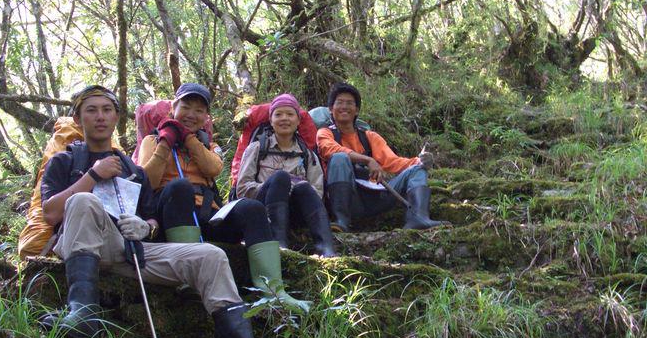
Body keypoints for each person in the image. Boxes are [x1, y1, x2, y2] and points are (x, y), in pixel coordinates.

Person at [41, 84, 294, 338]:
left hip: (129, 251)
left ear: (116, 117)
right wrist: (93, 175)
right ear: (78, 118)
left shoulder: (131, 169)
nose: (100, 117)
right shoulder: (65, 161)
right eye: (91, 111)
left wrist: (146, 227)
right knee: (83, 201)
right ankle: (82, 311)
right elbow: (51, 213)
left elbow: (151, 217)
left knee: (210, 256)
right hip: (82, 246)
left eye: (107, 110)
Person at [136, 83, 309, 312]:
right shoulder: (152, 141)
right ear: (173, 107)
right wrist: (166, 143)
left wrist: (188, 139)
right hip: (172, 215)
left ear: (206, 117)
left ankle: (273, 291)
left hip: (207, 214)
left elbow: (213, 168)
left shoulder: (209, 145)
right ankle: (189, 274)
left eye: (199, 110)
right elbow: (147, 181)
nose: (191, 114)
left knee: (252, 208)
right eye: (186, 107)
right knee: (180, 187)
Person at [317, 82, 446, 232]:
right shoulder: (325, 133)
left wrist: (420, 161)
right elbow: (329, 150)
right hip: (351, 200)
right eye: (339, 102)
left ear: (356, 110)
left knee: (417, 169)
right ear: (330, 109)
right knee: (339, 158)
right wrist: (368, 160)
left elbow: (393, 162)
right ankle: (341, 220)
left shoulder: (370, 137)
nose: (344, 107)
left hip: (376, 196)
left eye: (350, 103)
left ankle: (419, 218)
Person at [235, 93, 336, 257]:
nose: (284, 119)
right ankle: (279, 245)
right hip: (263, 211)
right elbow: (242, 189)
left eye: (290, 114)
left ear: (298, 120)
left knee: (304, 187)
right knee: (280, 178)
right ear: (271, 120)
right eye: (278, 114)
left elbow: (317, 192)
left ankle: (327, 250)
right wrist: (275, 187)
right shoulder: (256, 149)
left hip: (295, 212)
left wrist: (292, 189)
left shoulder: (307, 154)